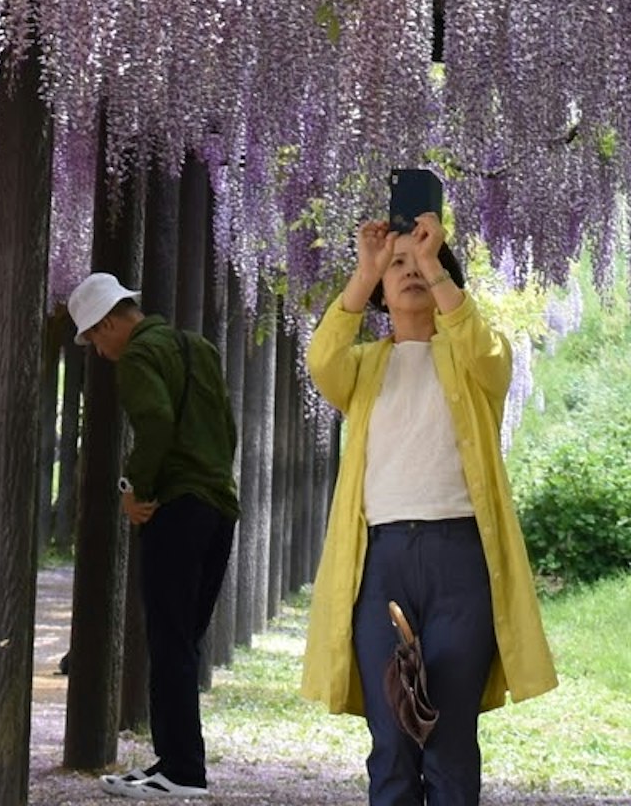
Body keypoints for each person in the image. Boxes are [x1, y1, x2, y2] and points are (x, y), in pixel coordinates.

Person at [301, 211, 555, 806]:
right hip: (381, 561)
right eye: (398, 266)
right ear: (382, 292)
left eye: (419, 263)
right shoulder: (363, 366)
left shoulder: (474, 359)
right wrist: (363, 273)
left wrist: (433, 264)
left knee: (447, 738)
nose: (409, 272)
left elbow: (487, 350)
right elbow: (321, 359)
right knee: (390, 738)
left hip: (460, 562)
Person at [73, 269, 241, 797]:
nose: (100, 353)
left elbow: (155, 422)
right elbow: (227, 430)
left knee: (168, 639)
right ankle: (174, 760)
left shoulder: (140, 357)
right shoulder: (198, 348)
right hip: (218, 507)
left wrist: (133, 487)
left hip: (176, 508)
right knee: (182, 640)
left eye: (95, 339)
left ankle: (182, 771)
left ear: (107, 324)